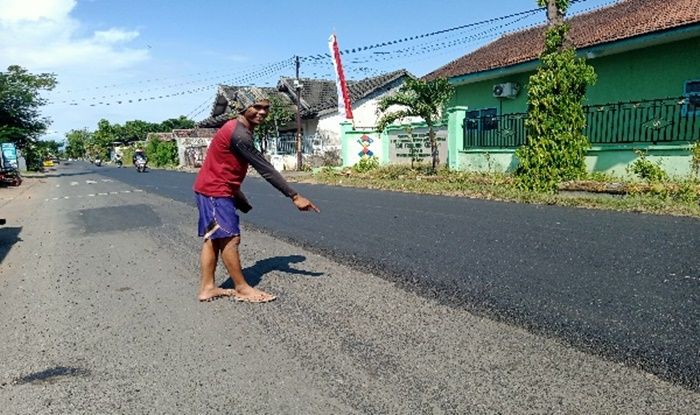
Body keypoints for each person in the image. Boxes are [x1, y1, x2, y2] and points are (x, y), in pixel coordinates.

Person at [192, 97, 319, 303]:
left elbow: (223, 164)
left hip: (213, 189)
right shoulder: (240, 134)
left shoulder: (235, 127)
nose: (262, 112)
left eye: (266, 108)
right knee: (230, 239)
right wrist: (294, 196)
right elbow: (265, 168)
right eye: (256, 107)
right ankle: (242, 288)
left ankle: (208, 288)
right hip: (216, 192)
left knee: (213, 239)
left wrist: (236, 193)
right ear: (243, 108)